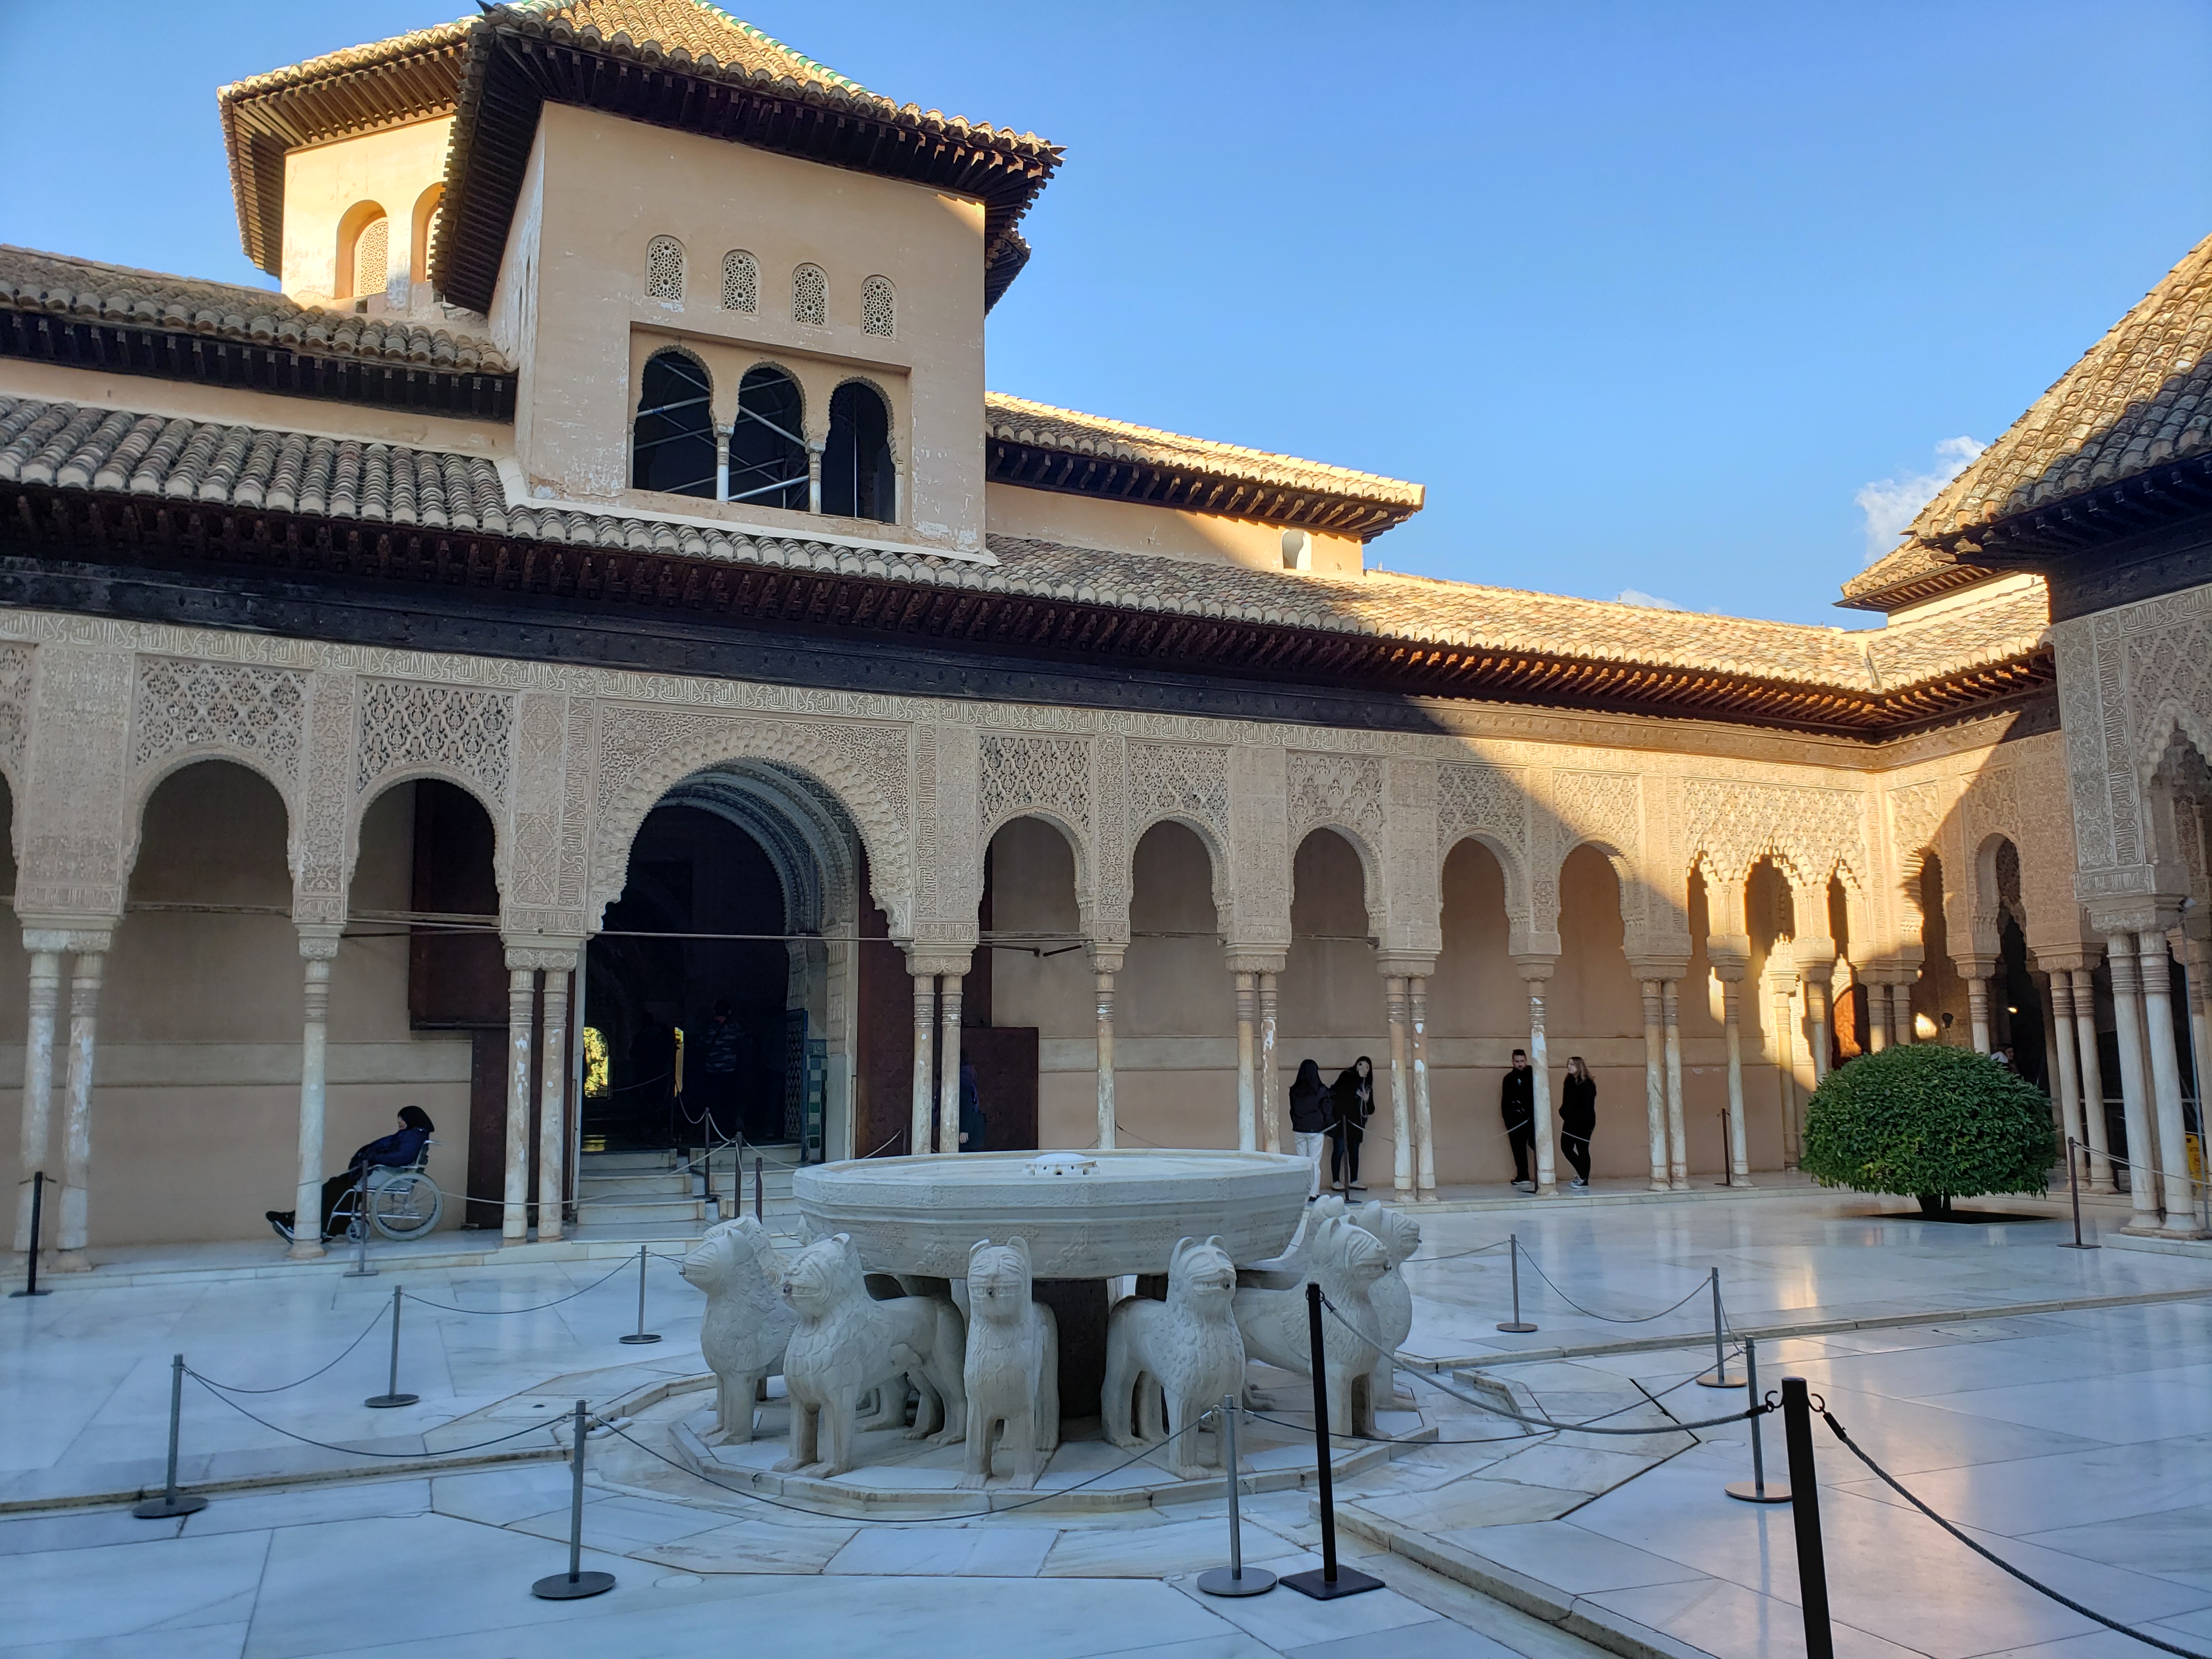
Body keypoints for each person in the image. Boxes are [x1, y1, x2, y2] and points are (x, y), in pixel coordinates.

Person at [268, 1106, 435, 1243]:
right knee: (334, 1186)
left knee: (337, 1189)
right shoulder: (412, 1135)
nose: (399, 1122)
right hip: (380, 1172)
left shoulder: (413, 1136)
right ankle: (295, 1218)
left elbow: (401, 1157)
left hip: (385, 1173)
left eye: (402, 1119)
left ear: (412, 1118)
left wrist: (371, 1157)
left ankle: (314, 1227)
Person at [694, 998, 748, 1140]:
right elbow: (743, 1043)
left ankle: (714, 1131)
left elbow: (700, 1044)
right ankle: (727, 1131)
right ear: (729, 1011)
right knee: (729, 1102)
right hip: (730, 1070)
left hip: (711, 1071)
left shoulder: (708, 1028)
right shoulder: (734, 1027)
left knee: (713, 1102)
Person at [1328, 1057, 1375, 1193]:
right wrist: (1356, 1079)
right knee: (1339, 1150)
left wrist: (1366, 1100)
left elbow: (1371, 1110)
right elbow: (1340, 1094)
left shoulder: (1367, 1086)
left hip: (1356, 1124)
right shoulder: (1347, 1076)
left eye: (1367, 1067)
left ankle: (1354, 1180)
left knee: (1354, 1152)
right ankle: (1336, 1181)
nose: (1363, 1069)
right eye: (1361, 1065)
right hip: (1342, 1122)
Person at [1288, 1059, 1330, 1200]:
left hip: (1299, 1129)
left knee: (1302, 1162)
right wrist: (1330, 1127)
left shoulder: (1295, 1091)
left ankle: (1303, 1192)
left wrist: (1297, 1123)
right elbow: (1327, 1111)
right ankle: (1313, 1193)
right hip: (1316, 1130)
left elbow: (1292, 1111)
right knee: (1314, 1163)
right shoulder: (1321, 1091)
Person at [1559, 1056, 1596, 1189]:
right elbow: (1566, 1102)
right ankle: (1582, 1172)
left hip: (1584, 1123)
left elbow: (1587, 1107)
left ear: (1579, 1067)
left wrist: (1582, 1123)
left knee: (1582, 1149)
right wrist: (1563, 1113)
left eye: (1572, 1065)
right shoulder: (1569, 1081)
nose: (1568, 1067)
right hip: (1570, 1121)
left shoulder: (1587, 1084)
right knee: (1566, 1147)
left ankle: (1584, 1178)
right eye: (1568, 1064)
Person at [1500, 1048, 1535, 1192]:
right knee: (1518, 1148)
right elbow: (1505, 1101)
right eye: (1517, 1061)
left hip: (1531, 1119)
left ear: (1526, 1061)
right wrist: (1507, 1118)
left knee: (1536, 1145)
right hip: (1515, 1120)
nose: (1520, 1064)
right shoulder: (1509, 1078)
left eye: (1522, 1061)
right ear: (1513, 1062)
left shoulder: (1533, 1075)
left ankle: (1546, 1172)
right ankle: (1523, 1175)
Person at [958, 1059, 987, 1152]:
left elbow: (968, 1109)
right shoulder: (968, 1085)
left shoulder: (964, 1087)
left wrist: (965, 1130)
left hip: (970, 1134)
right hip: (971, 1131)